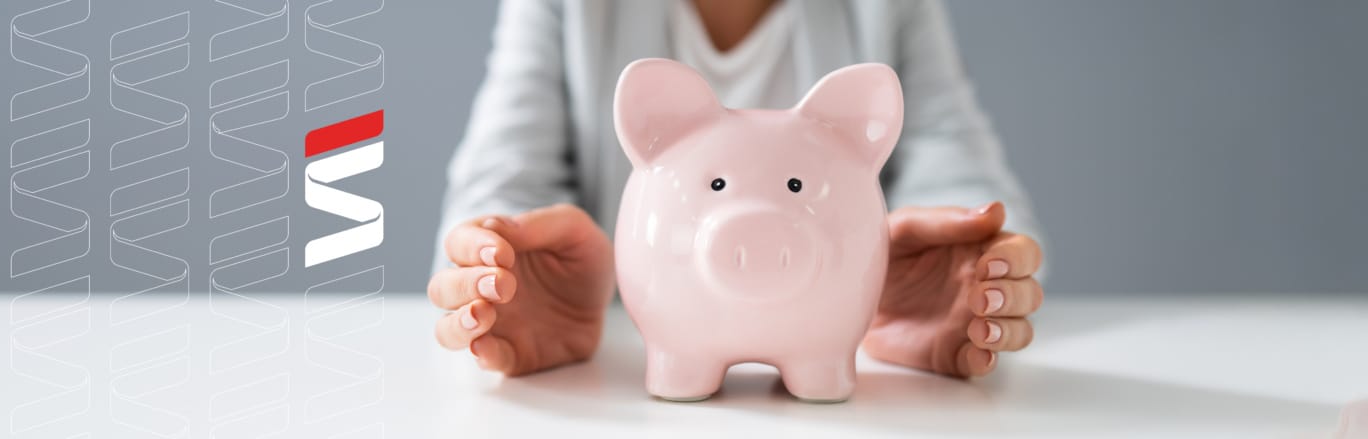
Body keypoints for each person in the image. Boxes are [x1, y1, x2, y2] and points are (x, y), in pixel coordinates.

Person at [427, 0, 1046, 379]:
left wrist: (962, 263)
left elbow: (961, 170)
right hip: (627, 338)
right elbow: (500, 182)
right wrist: (511, 266)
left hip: (844, 326)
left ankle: (818, 369)